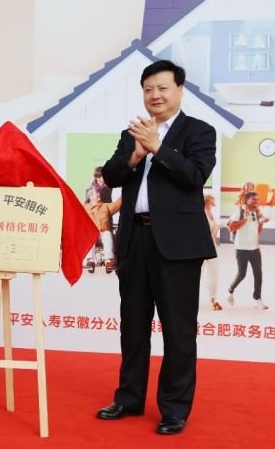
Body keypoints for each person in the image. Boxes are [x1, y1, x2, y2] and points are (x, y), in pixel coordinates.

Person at [96, 60, 216, 436]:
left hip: (178, 245)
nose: (155, 95)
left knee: (178, 330)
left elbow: (195, 175)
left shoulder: (199, 131)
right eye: (148, 89)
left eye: (162, 88)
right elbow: (110, 176)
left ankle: (174, 408)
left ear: (180, 90)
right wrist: (134, 155)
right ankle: (129, 398)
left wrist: (158, 148)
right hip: (135, 239)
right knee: (132, 325)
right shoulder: (130, 133)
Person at [226, 191, 270, 310]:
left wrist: (261, 223)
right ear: (247, 200)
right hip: (241, 249)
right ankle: (231, 289)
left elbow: (257, 231)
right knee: (242, 274)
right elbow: (231, 228)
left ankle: (257, 298)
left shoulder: (257, 213)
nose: (257, 201)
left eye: (258, 199)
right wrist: (245, 219)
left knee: (258, 274)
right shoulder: (239, 212)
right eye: (254, 199)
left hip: (255, 248)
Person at [83, 187, 122, 273]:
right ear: (90, 197)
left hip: (104, 233)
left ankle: (108, 261)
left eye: (98, 193)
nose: (98, 194)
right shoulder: (85, 208)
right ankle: (90, 261)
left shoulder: (106, 206)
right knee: (89, 235)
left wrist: (125, 194)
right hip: (92, 234)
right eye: (96, 193)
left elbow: (117, 205)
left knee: (107, 233)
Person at [203, 195, 222, 310]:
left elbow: (214, 228)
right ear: (207, 201)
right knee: (197, 275)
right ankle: (187, 298)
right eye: (212, 201)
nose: (214, 203)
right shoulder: (201, 213)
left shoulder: (212, 214)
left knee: (214, 274)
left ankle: (213, 299)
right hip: (200, 249)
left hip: (213, 247)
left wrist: (224, 225)